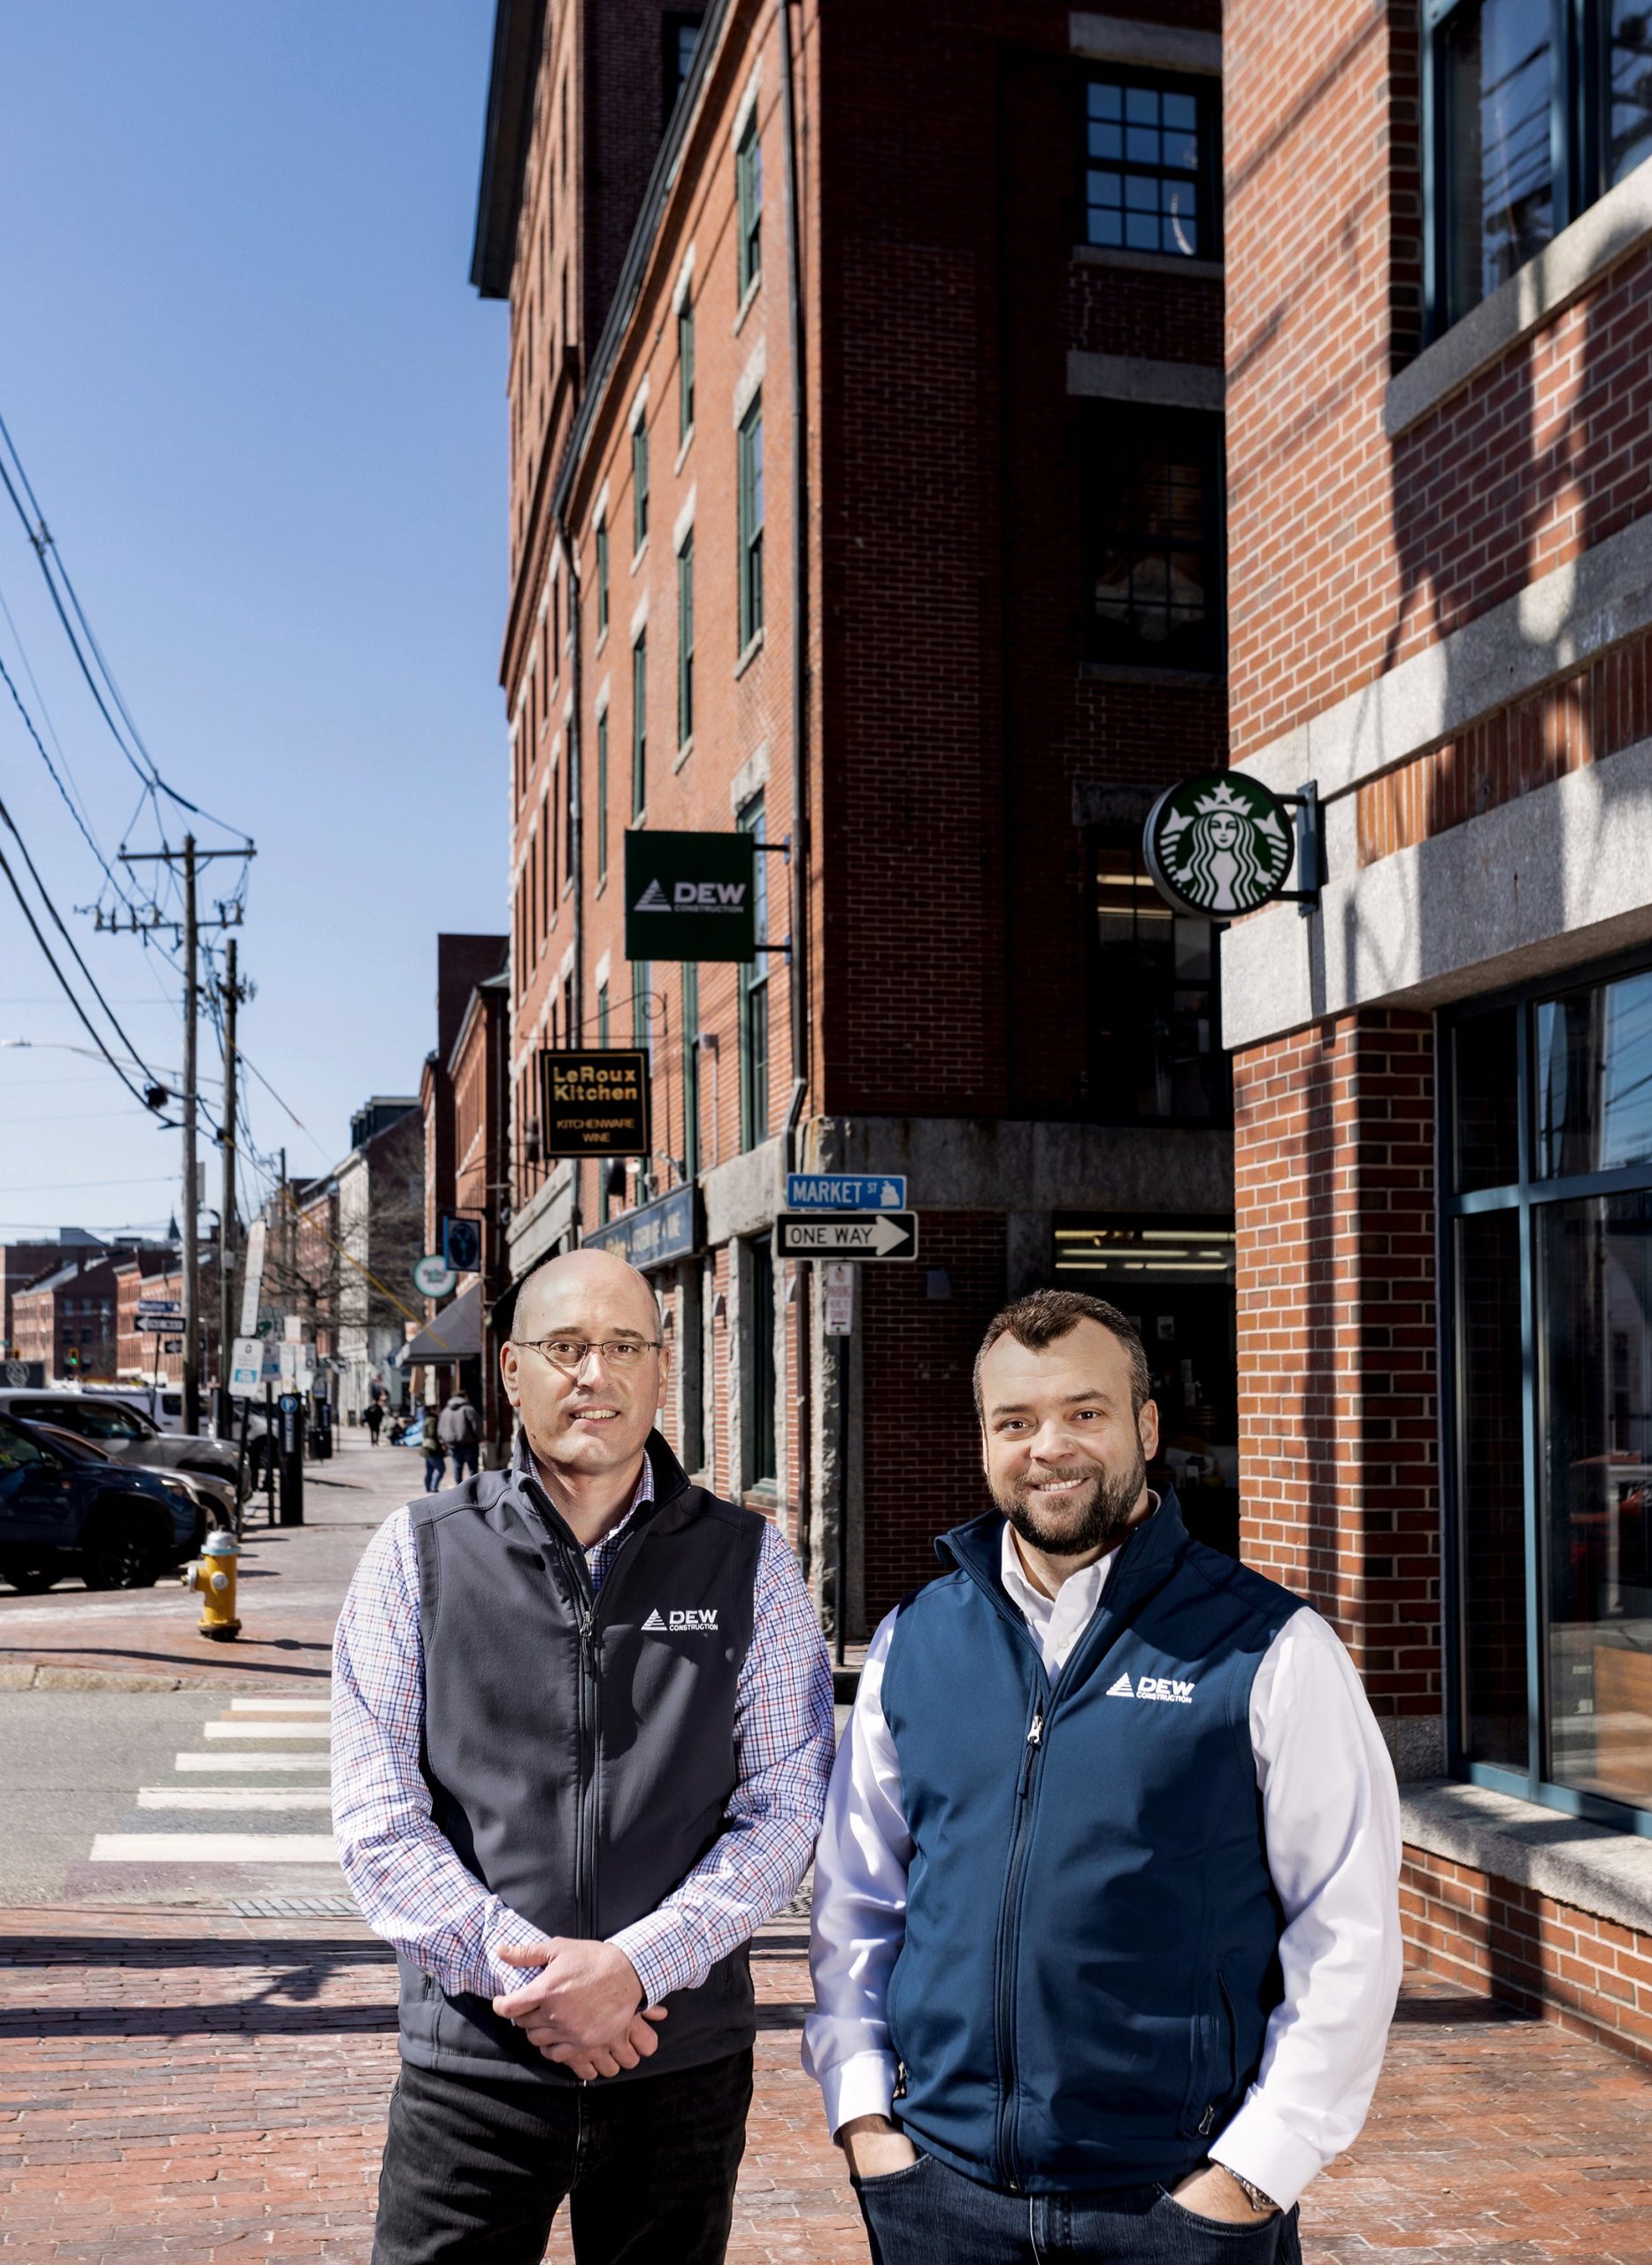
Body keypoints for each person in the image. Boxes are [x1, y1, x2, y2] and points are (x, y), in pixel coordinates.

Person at [805, 1288, 1402, 2265]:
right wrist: (865, 2120)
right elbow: (857, 1902)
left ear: (1147, 1426)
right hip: (940, 2199)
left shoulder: (1268, 1646)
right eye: (1016, 1420)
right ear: (984, 1439)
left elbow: (1349, 1933)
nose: (1051, 1446)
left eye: (1084, 1412)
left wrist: (1251, 2176)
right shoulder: (914, 1641)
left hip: (1175, 2204)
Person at [333, 1246, 834, 2265]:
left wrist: (635, 1969)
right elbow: (378, 1821)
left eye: (621, 1347)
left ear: (661, 1368)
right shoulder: (416, 1552)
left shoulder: (751, 1560)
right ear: (511, 1371)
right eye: (564, 1347)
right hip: (473, 2068)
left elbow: (786, 1808)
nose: (593, 1376)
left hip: (678, 2065)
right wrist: (544, 1989)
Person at [437, 1386, 480, 1483]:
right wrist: (480, 1438)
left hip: (453, 1445)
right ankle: (473, 1490)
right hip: (470, 1444)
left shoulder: (445, 1412)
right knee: (472, 1470)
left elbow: (440, 1428)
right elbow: (477, 1426)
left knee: (457, 1468)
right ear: (464, 1397)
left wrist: (442, 1442)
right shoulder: (469, 1409)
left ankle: (458, 1489)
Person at [419, 1403, 444, 1493]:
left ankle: (428, 1487)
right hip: (433, 1449)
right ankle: (433, 1487)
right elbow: (432, 1433)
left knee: (430, 1470)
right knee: (441, 1469)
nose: (439, 1411)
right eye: (438, 1409)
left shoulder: (427, 1418)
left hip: (427, 1448)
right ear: (434, 1410)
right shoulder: (433, 1420)